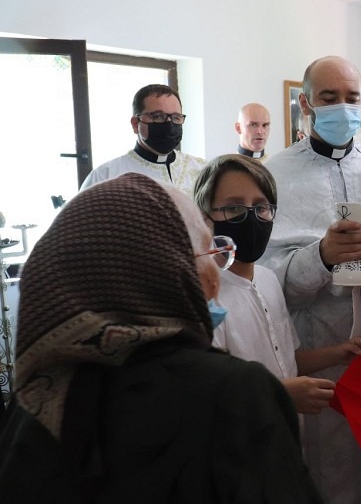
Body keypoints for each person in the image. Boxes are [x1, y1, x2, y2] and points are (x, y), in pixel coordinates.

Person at [0, 173, 321, 503]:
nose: (214, 272)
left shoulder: (35, 404)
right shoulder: (232, 392)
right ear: (162, 270)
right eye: (202, 252)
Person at [258, 56, 361, 503]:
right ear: (306, 103)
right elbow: (264, 277)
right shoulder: (274, 175)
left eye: (352, 98)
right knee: (326, 460)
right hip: (316, 337)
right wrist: (322, 257)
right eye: (329, 98)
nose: (342, 107)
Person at [193, 154, 361, 414]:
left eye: (261, 207)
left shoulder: (267, 279)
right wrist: (279, 395)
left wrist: (337, 353)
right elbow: (208, 393)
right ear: (204, 218)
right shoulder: (204, 297)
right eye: (234, 208)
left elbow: (284, 360)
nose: (251, 218)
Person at [80, 84, 205, 195]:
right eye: (158, 116)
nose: (169, 124)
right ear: (135, 124)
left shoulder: (203, 170)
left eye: (176, 117)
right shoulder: (105, 176)